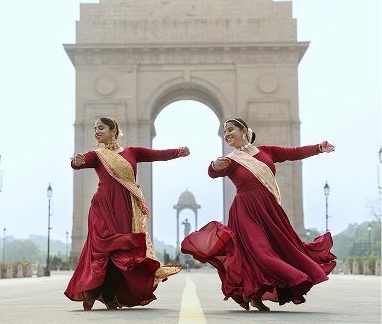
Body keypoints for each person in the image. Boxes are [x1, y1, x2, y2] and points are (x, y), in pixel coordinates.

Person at [181, 118, 336, 311]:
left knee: (277, 249)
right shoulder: (230, 160)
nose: (227, 134)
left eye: (230, 129)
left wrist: (318, 148)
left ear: (244, 130)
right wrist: (214, 165)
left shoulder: (266, 152)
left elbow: (293, 153)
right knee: (260, 251)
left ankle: (256, 295)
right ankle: (254, 290)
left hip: (269, 210)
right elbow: (212, 173)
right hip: (245, 211)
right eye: (224, 132)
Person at [64, 117, 190, 310]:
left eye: (101, 128)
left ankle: (106, 294)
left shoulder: (132, 152)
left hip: (125, 208)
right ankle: (93, 291)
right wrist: (76, 162)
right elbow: (79, 163)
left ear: (113, 130)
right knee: (102, 249)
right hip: (102, 207)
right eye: (95, 128)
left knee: (122, 251)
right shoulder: (97, 155)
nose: (97, 131)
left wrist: (178, 152)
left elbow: (157, 154)